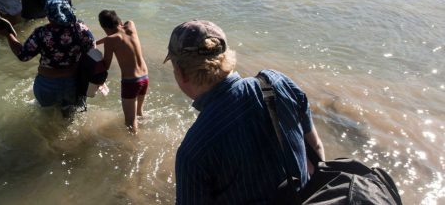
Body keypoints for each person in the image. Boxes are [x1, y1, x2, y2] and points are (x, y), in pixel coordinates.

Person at [165, 20, 325, 204]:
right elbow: (315, 150)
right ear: (226, 56)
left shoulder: (193, 151)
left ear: (181, 73)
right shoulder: (277, 83)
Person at [0, 0, 96, 117]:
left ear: (49, 14)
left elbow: (23, 55)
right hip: (73, 83)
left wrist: (9, 34)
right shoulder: (80, 28)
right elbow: (92, 52)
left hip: (47, 84)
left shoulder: (42, 33)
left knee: (46, 116)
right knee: (69, 117)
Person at [96, 10, 149, 133]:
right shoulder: (131, 25)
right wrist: (97, 42)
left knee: (130, 123)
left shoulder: (110, 40)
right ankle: (145, 131)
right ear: (118, 21)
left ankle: (135, 147)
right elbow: (118, 32)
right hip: (144, 77)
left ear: (104, 28)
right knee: (139, 114)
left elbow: (106, 65)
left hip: (131, 82)